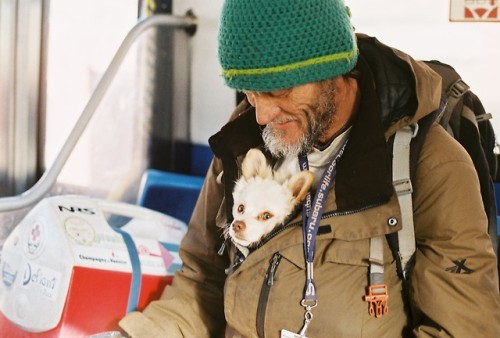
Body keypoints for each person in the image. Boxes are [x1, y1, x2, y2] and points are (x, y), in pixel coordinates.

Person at [119, 0, 500, 337]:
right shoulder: (243, 141)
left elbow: (460, 328)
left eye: (279, 92)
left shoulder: (433, 166)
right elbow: (201, 281)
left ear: (333, 70)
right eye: (251, 93)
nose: (263, 114)